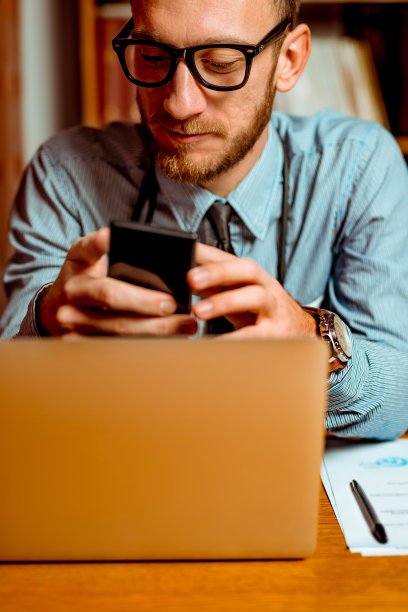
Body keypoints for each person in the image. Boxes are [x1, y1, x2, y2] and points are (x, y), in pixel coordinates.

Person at [1, 0, 408, 439]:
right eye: (153, 56)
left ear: (289, 60)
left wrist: (312, 340)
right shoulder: (65, 174)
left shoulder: (359, 166)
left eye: (220, 64)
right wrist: (45, 320)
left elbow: (400, 396)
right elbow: (11, 395)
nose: (179, 104)